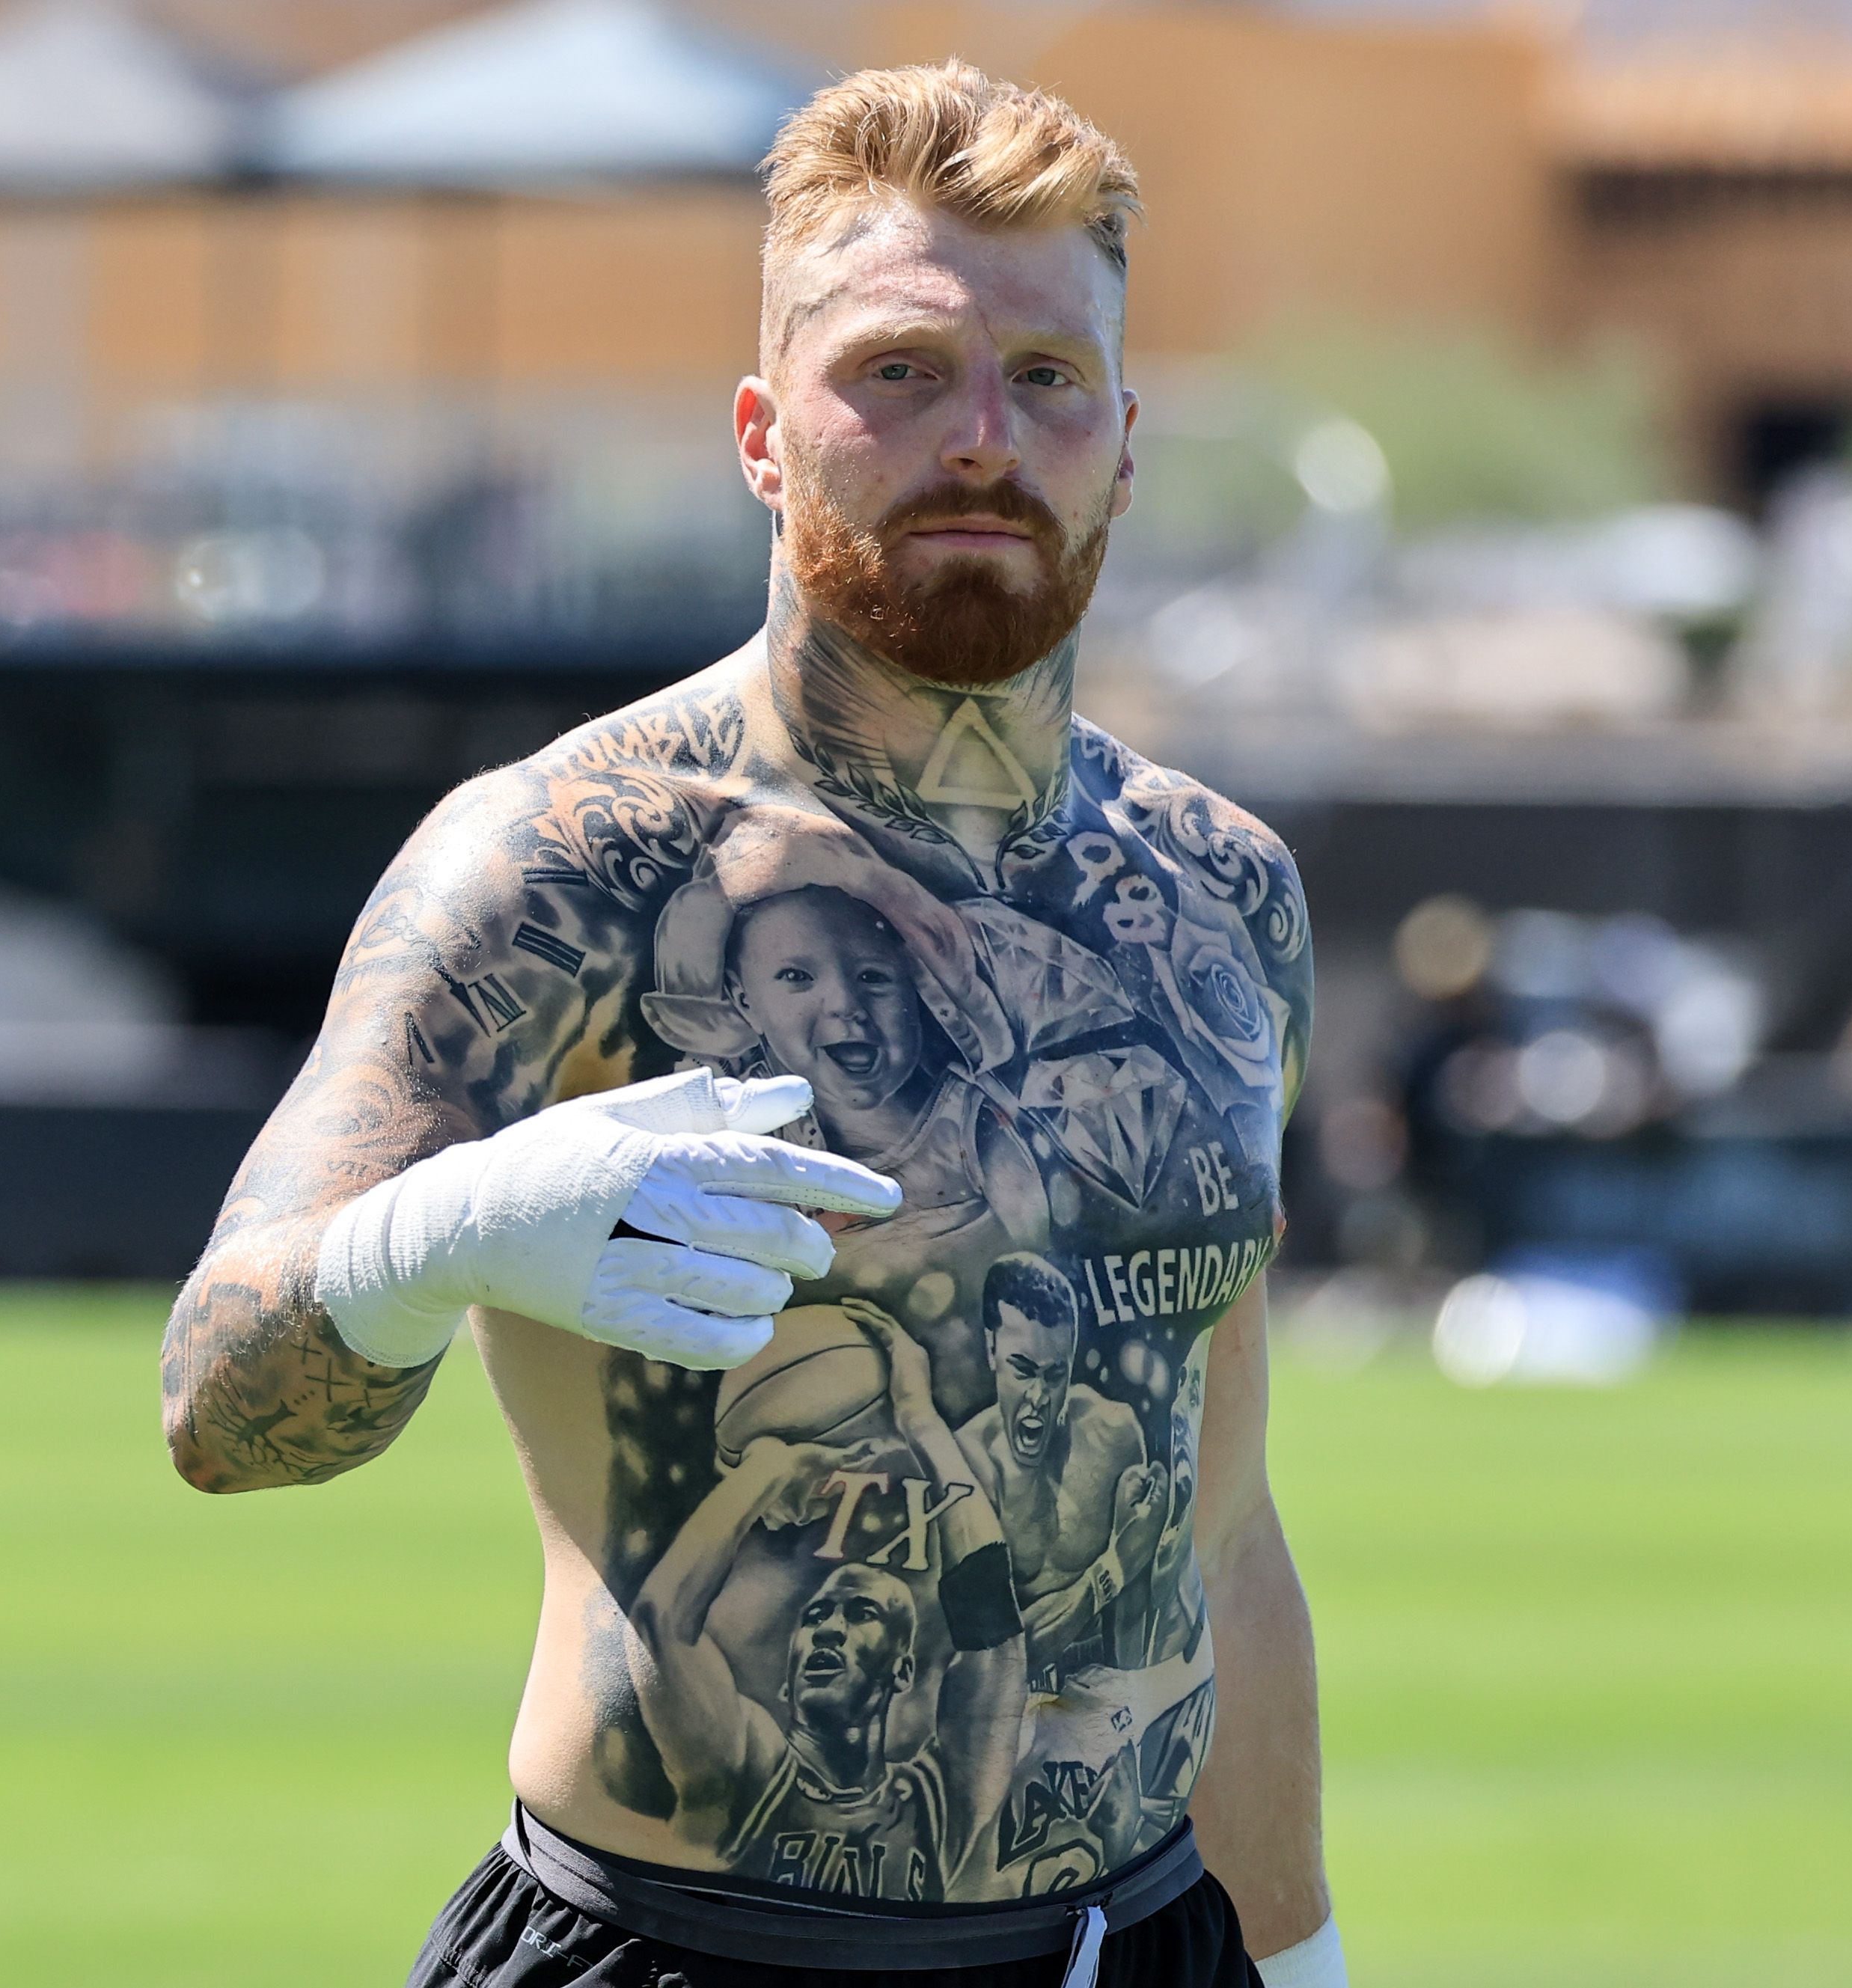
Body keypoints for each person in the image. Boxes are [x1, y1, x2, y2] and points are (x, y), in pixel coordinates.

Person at [162, 61, 1340, 1988]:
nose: (980, 437)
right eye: (895, 370)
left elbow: (1217, 1538)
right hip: (675, 1950)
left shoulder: (1219, 897)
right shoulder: (555, 863)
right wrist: (438, 1234)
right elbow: (216, 1401)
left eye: (1044, 380)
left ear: (1121, 441)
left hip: (1140, 1947)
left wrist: (1299, 1960)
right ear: (760, 433)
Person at [627, 1305, 1023, 1903]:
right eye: (814, 1617)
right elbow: (661, 1624)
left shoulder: (940, 1798)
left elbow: (992, 1625)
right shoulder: (746, 1768)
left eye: (860, 1612)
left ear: (903, 1668)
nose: (827, 1630)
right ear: (786, 1680)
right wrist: (768, 1467)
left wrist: (922, 1423)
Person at [953, 1254, 1167, 1690]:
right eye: (1023, 1370)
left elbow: (1135, 1609)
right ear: (992, 1349)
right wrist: (1114, 1566)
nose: (1038, 1398)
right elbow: (991, 1666)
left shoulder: (1114, 1432)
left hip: (1103, 1691)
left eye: (1055, 1376)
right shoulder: (965, 1466)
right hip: (1003, 1718)